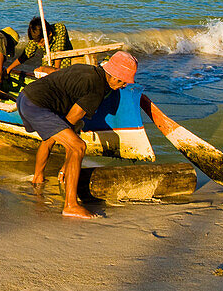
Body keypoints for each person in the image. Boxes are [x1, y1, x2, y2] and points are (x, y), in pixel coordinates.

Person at [17, 50, 138, 219]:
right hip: (37, 105)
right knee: (79, 146)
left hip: (25, 97)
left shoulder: (89, 70)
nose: (124, 85)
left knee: (51, 137)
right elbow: (70, 121)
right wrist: (67, 164)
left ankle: (37, 179)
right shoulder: (97, 89)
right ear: (113, 75)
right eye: (123, 81)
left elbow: (58, 76)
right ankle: (71, 205)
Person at [9, 17, 74, 73]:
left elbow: (59, 52)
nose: (40, 45)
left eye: (42, 42)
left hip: (64, 62)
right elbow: (26, 55)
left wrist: (54, 71)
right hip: (48, 62)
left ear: (50, 34)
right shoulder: (36, 35)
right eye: (38, 43)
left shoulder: (59, 28)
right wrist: (8, 69)